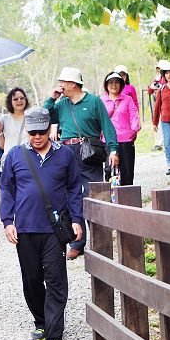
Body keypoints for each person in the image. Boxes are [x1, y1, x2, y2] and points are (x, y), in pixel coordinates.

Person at [0, 106, 83, 340]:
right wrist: (7, 221)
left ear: (50, 129)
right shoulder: (15, 155)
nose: (37, 137)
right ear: (26, 130)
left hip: (54, 230)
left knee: (56, 279)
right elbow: (7, 189)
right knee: (32, 278)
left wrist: (77, 219)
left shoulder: (65, 155)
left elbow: (74, 188)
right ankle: (41, 320)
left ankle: (55, 334)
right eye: (33, 132)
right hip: (25, 229)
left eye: (42, 132)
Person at [43, 66, 119, 260]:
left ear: (73, 84)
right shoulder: (60, 104)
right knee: (69, 196)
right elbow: (43, 116)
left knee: (93, 194)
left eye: (63, 82)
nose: (60, 85)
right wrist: (52, 98)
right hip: (66, 151)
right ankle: (77, 242)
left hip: (89, 151)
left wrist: (113, 150)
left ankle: (101, 240)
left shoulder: (94, 102)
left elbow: (107, 127)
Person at [100, 72, 140, 186]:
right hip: (107, 141)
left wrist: (134, 129)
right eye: (111, 82)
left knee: (127, 171)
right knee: (109, 171)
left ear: (121, 84)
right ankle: (112, 200)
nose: (114, 85)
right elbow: (97, 118)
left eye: (117, 82)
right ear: (106, 85)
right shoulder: (101, 101)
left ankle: (127, 199)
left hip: (126, 140)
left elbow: (134, 115)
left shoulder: (127, 99)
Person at [0, 87, 30, 171]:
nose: (19, 100)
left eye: (22, 98)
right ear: (10, 102)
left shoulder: (31, 117)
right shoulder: (5, 118)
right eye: (15, 99)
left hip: (27, 161)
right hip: (10, 161)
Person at [147, 60, 167, 151]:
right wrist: (151, 87)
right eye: (158, 68)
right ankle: (158, 143)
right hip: (158, 104)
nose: (159, 70)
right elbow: (150, 91)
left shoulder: (167, 78)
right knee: (157, 123)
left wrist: (159, 87)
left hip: (167, 104)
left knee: (168, 123)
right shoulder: (157, 78)